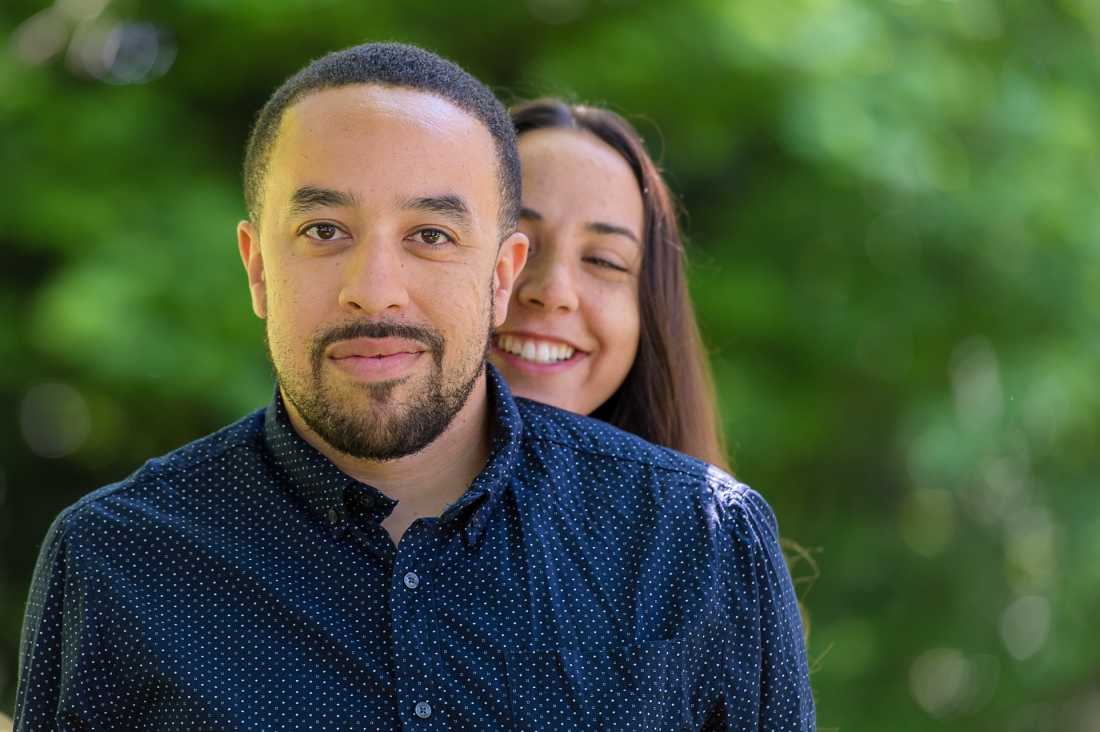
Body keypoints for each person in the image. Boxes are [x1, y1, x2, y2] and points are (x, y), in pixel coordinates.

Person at [15, 43, 815, 730]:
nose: (376, 289)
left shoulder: (703, 543)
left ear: (502, 276)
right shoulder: (113, 561)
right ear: (259, 267)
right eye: (324, 231)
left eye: (431, 235)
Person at [491, 98, 728, 469]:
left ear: (649, 311)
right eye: (516, 243)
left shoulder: (714, 524)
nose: (552, 292)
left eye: (603, 261)